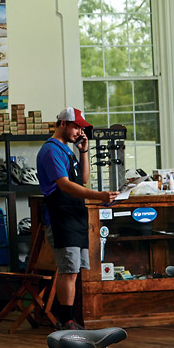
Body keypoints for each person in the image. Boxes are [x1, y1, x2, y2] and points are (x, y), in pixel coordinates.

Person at [36, 108, 119, 330]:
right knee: (69, 270)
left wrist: (83, 151)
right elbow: (63, 185)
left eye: (82, 128)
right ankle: (67, 320)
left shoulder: (68, 151)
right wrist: (99, 196)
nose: (80, 131)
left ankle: (71, 319)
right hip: (61, 217)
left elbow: (82, 180)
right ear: (62, 123)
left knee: (76, 270)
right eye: (76, 126)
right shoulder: (50, 151)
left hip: (75, 216)